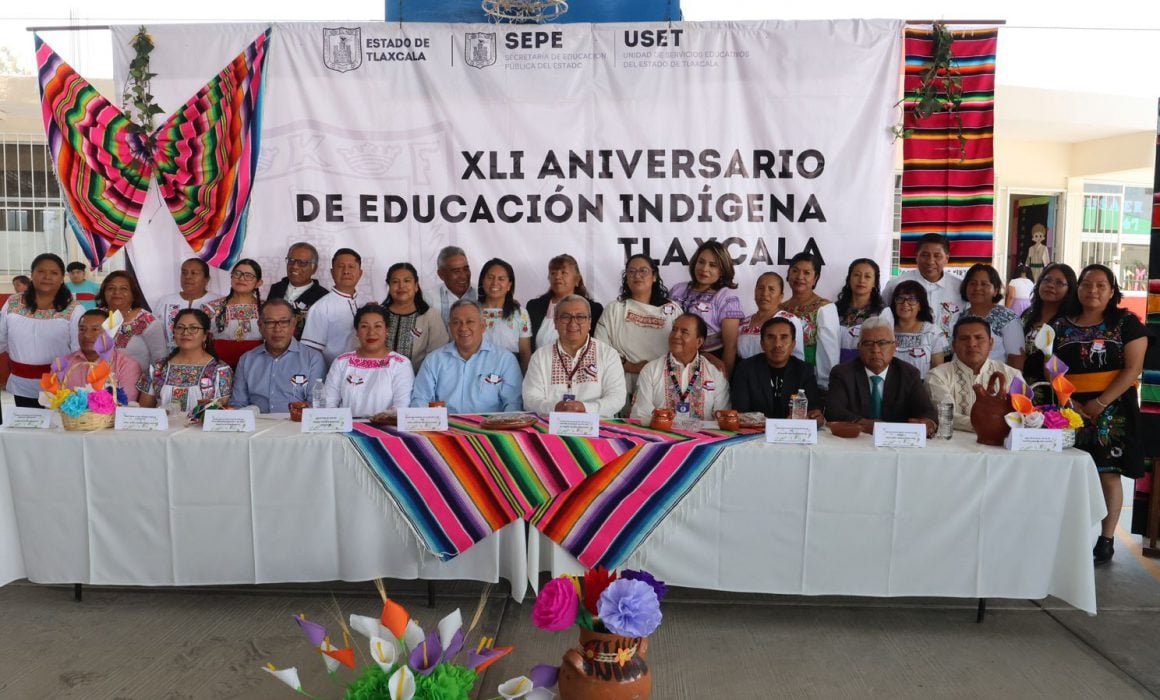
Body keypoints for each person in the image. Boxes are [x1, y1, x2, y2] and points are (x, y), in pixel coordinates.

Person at [1052, 264, 1147, 565]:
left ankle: (1105, 540)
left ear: (1112, 291)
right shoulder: (1059, 325)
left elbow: (1133, 368)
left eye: (1101, 285)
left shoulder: (1126, 323)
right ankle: (1067, 535)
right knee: (1067, 472)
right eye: (1086, 284)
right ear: (1077, 289)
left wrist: (1101, 403)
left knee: (1109, 474)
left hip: (1113, 408)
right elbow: (1049, 365)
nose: (1092, 290)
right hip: (1069, 408)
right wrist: (1070, 403)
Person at [825, 316, 937, 435]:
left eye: (883, 343)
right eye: (868, 343)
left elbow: (926, 411)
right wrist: (864, 424)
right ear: (859, 347)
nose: (875, 350)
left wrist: (928, 422)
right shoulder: (843, 373)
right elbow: (834, 411)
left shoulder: (909, 374)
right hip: (857, 441)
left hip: (897, 442)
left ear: (894, 346)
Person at [0, 254, 84, 412]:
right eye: (41, 271)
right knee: (30, 431)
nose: (47, 277)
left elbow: (78, 350)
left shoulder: (74, 309)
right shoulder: (13, 303)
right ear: (32, 275)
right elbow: (1, 339)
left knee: (56, 432)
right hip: (22, 384)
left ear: (61, 278)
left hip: (60, 386)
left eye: (54, 273)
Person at [595, 254, 682, 406]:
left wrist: (654, 370)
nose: (637, 275)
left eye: (643, 270)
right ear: (626, 278)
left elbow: (683, 346)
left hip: (662, 381)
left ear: (654, 276)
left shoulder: (672, 309)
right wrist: (631, 366)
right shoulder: (614, 309)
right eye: (631, 271)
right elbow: (600, 348)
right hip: (623, 380)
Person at [411, 299, 523, 413]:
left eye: (470, 321)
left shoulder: (504, 360)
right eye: (456, 322)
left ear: (483, 326)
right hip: (444, 427)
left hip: (490, 427)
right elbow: (420, 401)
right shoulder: (434, 360)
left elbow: (513, 404)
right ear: (450, 327)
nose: (463, 328)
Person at [522, 294, 626, 417]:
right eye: (566, 317)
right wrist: (555, 407)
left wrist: (584, 408)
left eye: (580, 317)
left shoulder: (608, 354)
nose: (573, 323)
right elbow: (529, 399)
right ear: (555, 322)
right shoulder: (540, 357)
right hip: (551, 428)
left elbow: (617, 398)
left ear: (590, 322)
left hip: (598, 429)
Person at [925, 316, 1023, 432]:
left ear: (991, 343)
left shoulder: (1012, 375)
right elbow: (946, 415)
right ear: (954, 346)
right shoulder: (937, 376)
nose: (972, 344)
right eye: (964, 338)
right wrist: (993, 423)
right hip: (953, 446)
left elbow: (1022, 414)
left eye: (979, 338)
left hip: (1000, 445)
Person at [231, 299, 327, 413]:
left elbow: (316, 405)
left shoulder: (313, 359)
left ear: (293, 324)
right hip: (257, 425)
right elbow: (238, 404)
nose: (277, 329)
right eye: (270, 322)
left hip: (297, 425)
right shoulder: (247, 360)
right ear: (260, 326)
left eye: (284, 322)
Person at [630, 314, 730, 423]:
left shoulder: (715, 373)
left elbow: (723, 417)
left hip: (704, 438)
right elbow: (639, 414)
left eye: (684, 332)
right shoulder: (651, 370)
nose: (676, 335)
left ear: (699, 342)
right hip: (661, 437)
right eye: (674, 330)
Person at [669, 241, 746, 377]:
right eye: (701, 262)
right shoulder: (677, 289)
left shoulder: (726, 296)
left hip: (710, 363)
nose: (704, 269)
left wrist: (725, 380)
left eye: (713, 265)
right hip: (672, 359)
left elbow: (731, 347)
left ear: (722, 270)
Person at [323, 304, 414, 417]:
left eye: (378, 326)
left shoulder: (400, 364)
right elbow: (328, 403)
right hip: (343, 428)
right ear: (356, 331)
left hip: (386, 430)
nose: (371, 332)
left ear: (387, 331)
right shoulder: (342, 361)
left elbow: (402, 407)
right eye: (364, 326)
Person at [137, 308, 233, 410]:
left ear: (205, 335)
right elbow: (144, 412)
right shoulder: (158, 368)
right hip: (163, 425)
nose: (185, 333)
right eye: (180, 328)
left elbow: (221, 414)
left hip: (202, 426)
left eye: (193, 328)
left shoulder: (220, 371)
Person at [732, 316, 823, 423]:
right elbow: (741, 412)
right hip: (755, 434)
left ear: (793, 344)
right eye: (771, 337)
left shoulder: (804, 370)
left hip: (793, 434)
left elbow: (813, 411)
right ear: (762, 344)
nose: (777, 344)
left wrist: (815, 416)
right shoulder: (746, 369)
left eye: (784, 337)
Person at [882, 233, 962, 353]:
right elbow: (884, 317)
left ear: (947, 258)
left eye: (937, 256)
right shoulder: (896, 285)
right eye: (925, 255)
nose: (930, 261)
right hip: (904, 355)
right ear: (916, 256)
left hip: (949, 357)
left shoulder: (960, 288)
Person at [779, 251, 839, 387]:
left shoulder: (824, 308)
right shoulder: (779, 308)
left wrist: (824, 385)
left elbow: (829, 353)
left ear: (815, 278)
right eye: (795, 271)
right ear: (788, 274)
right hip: (780, 380)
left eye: (807, 273)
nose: (800, 277)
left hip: (810, 382)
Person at [1017, 263, 1078, 396]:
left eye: (1059, 283)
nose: (1050, 285)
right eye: (1047, 280)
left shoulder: (1071, 321)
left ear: (1070, 289)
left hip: (1054, 392)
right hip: (1022, 387)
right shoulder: (1028, 314)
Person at [54, 309, 141, 402]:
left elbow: (125, 404)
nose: (86, 335)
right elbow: (53, 401)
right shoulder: (62, 364)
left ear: (110, 333)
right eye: (82, 329)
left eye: (95, 329)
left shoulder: (127, 366)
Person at [302, 248, 368, 365]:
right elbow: (311, 352)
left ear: (360, 273)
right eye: (341, 266)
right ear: (332, 272)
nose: (346, 271)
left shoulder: (366, 304)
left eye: (351, 267)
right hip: (333, 375)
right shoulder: (321, 307)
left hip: (366, 372)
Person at [526, 254, 604, 350]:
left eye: (564, 273)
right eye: (553, 273)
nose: (558, 277)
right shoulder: (534, 306)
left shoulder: (594, 309)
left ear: (577, 280)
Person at [381, 262, 449, 372]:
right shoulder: (378, 314)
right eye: (395, 282)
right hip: (378, 380)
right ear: (389, 286)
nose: (401, 286)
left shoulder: (430, 315)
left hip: (418, 382)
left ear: (416, 286)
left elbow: (438, 355)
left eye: (407, 281)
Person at [96, 270, 167, 374]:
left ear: (133, 294)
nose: (116, 292)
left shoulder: (147, 321)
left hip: (137, 387)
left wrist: (149, 389)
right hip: (96, 386)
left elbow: (160, 361)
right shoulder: (94, 317)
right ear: (104, 292)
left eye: (123, 288)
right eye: (111, 288)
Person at [202, 259, 264, 369]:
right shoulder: (212, 308)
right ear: (231, 277)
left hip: (257, 368)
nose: (241, 278)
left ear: (259, 283)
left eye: (248, 275)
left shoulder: (266, 309)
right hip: (220, 368)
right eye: (237, 274)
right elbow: (203, 342)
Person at [960, 263, 1023, 365]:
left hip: (996, 379)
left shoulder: (1007, 318)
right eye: (973, 283)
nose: (977, 288)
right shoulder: (961, 316)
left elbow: (1017, 359)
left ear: (996, 291)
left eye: (984, 284)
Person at [477, 258, 533, 372]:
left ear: (509, 285)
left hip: (509, 373)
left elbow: (525, 352)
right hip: (477, 370)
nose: (495, 283)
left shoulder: (520, 313)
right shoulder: (472, 311)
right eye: (490, 278)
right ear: (482, 281)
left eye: (501, 279)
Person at [834, 258, 892, 365]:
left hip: (868, 367)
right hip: (836, 368)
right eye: (857, 275)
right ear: (849, 279)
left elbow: (885, 346)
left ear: (874, 282)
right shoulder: (834, 309)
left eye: (867, 276)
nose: (861, 280)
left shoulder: (882, 312)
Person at [267, 242, 329, 339]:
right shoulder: (276, 289)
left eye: (302, 263)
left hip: (305, 351)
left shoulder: (323, 297)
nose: (295, 266)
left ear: (314, 268)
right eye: (291, 260)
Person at [737, 271, 803, 362]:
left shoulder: (789, 320)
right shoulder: (743, 322)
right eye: (760, 288)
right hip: (744, 373)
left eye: (771, 289)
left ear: (781, 296)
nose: (764, 294)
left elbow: (797, 357)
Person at [156, 258, 217, 350]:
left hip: (207, 359)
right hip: (169, 359)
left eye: (194, 273)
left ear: (206, 279)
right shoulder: (165, 301)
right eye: (184, 272)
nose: (187, 277)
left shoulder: (218, 302)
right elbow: (155, 335)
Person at [890, 280, 946, 379]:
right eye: (900, 299)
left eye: (911, 299)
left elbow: (938, 373)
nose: (905, 304)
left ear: (920, 305)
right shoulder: (885, 330)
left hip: (921, 390)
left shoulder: (933, 333)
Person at [434, 246, 477, 330]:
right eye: (456, 271)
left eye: (466, 269)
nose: (463, 276)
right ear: (441, 274)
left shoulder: (481, 293)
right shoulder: (429, 298)